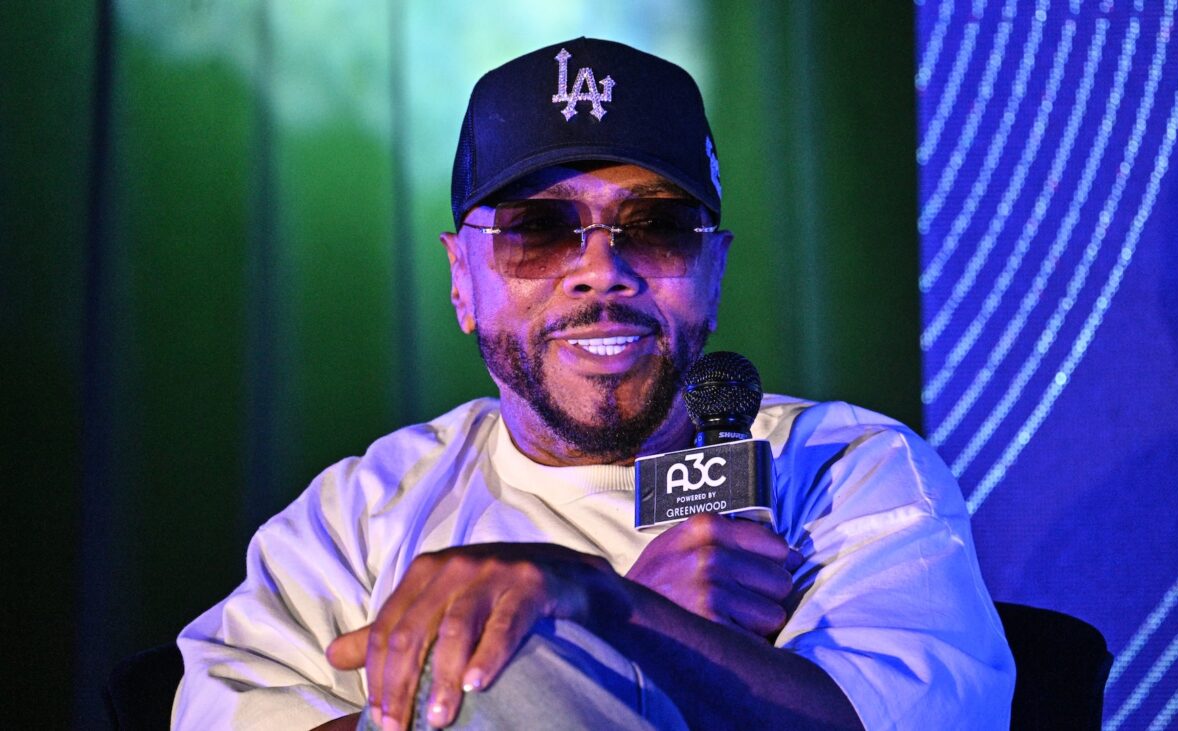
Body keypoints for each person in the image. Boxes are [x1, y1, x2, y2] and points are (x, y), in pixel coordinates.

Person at [172, 37, 1014, 730]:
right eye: (539, 228)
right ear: (461, 279)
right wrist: (587, 632)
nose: (602, 270)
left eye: (658, 226)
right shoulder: (361, 512)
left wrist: (603, 605)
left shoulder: (843, 470)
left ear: (715, 272)